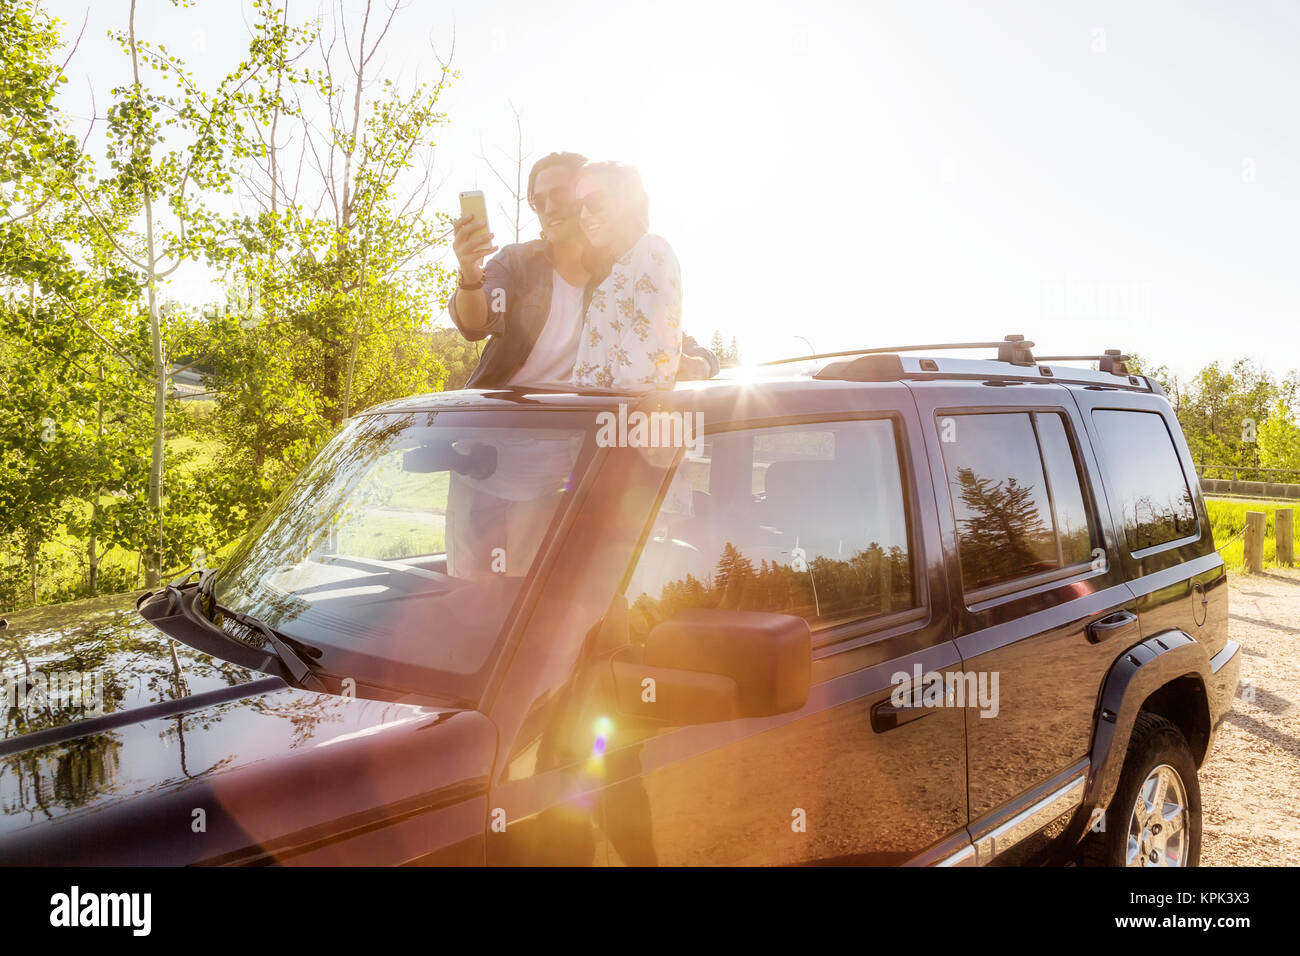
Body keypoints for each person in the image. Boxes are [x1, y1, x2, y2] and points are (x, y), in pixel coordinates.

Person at [448, 151, 715, 388]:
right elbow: (474, 326)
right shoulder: (517, 262)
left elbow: (666, 337)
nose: (550, 208)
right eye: (539, 202)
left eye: (560, 195)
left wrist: (700, 364)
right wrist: (470, 272)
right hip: (503, 423)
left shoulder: (620, 276)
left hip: (577, 427)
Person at [569, 162, 682, 390]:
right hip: (594, 415)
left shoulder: (652, 251)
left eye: (593, 202)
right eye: (578, 206)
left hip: (625, 418)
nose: (583, 214)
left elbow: (644, 368)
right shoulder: (611, 277)